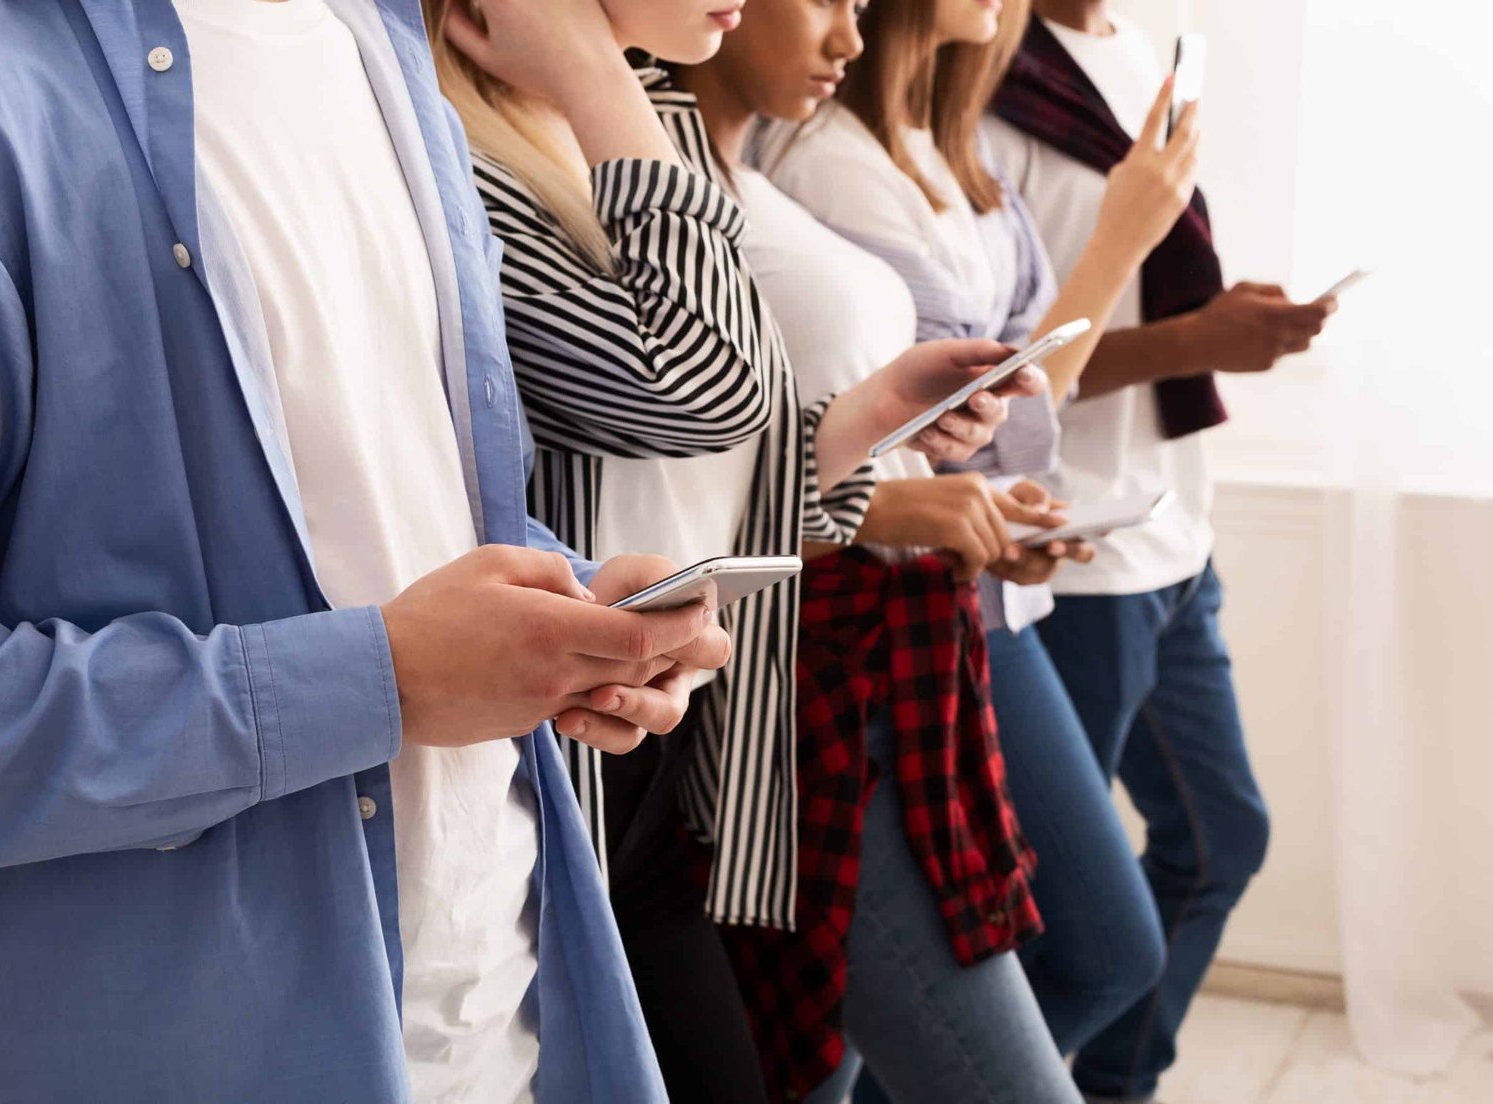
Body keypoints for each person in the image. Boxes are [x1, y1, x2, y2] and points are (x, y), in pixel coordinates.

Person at [0, 1, 736, 1100]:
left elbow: (391, 514)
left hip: (510, 1022)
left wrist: (567, 610)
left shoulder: (382, 51)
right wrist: (380, 678)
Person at [427, 0, 1035, 1098]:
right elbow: (695, 390)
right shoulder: (464, 148)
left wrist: (864, 421)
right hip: (550, 764)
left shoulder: (625, 117)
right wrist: (592, 71)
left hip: (654, 753)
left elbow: (694, 463)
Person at [672, 0, 1156, 1099]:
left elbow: (996, 415)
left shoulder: (783, 177)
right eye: (820, 1)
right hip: (811, 668)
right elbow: (656, 487)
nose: (840, 35)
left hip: (899, 637)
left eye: (850, 6)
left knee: (828, 1059)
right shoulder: (773, 174)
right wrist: (889, 510)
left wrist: (932, 491)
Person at [983, 2, 1336, 1100]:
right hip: (1071, 556)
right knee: (1047, 921)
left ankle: (1109, 1088)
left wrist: (1224, 325)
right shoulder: (986, 81)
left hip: (1175, 535)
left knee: (1220, 837)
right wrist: (1195, 342)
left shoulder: (1141, 53)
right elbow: (1001, 367)